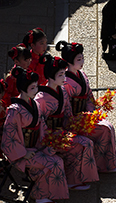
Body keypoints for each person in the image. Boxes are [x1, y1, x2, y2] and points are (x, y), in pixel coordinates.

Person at [1, 67, 69, 203]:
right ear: (23, 90)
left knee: (57, 158)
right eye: (32, 88)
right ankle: (40, 196)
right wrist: (24, 153)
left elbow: (42, 126)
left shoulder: (35, 103)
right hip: (22, 153)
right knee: (53, 163)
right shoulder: (14, 111)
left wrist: (47, 143)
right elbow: (9, 137)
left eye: (36, 86)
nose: (36, 90)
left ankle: (47, 193)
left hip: (36, 147)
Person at [35, 54, 99, 190]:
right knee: (81, 144)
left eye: (64, 74)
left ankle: (76, 178)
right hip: (49, 138)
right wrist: (48, 143)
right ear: (51, 77)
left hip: (62, 132)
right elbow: (40, 124)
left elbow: (68, 114)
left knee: (86, 141)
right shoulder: (41, 99)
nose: (64, 78)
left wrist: (76, 126)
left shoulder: (62, 90)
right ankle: (72, 180)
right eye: (60, 75)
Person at [56, 40, 116, 173]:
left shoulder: (82, 75)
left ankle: (104, 164)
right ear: (69, 61)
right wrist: (79, 119)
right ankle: (101, 165)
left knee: (108, 126)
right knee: (105, 129)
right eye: (79, 59)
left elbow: (89, 96)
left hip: (85, 116)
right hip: (75, 121)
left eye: (82, 58)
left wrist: (93, 112)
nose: (82, 61)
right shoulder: (66, 82)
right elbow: (66, 107)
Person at [2, 44, 32, 108]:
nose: (29, 62)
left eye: (29, 59)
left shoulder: (28, 72)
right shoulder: (11, 78)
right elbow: (7, 96)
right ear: (16, 61)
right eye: (26, 60)